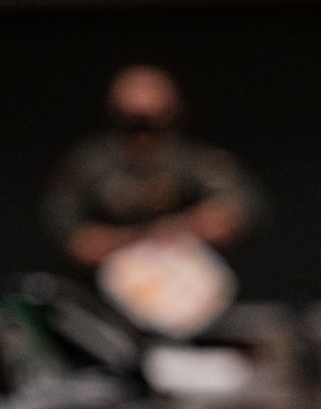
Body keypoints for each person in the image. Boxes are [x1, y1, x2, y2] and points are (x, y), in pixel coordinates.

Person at [44, 66, 261, 271]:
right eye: (134, 124)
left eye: (153, 124)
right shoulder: (87, 164)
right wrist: (146, 237)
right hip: (102, 289)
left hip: (184, 284)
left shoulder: (196, 161)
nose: (144, 137)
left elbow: (237, 211)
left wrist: (189, 226)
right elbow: (75, 241)